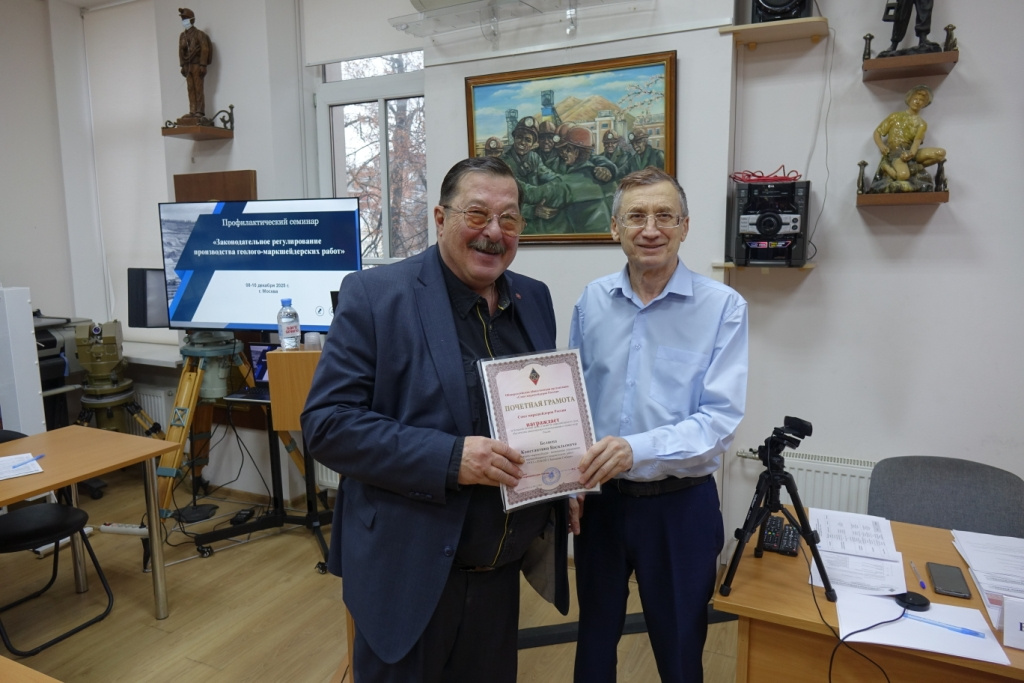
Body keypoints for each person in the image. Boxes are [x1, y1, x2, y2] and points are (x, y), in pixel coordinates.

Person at [301, 156, 569, 682]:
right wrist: (451, 458)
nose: (494, 232)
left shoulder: (533, 297)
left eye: (509, 218)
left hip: (499, 573)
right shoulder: (377, 295)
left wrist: (565, 475)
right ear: (441, 218)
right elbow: (328, 425)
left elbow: (538, 412)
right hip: (408, 573)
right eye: (477, 214)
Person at [569, 167, 748, 683]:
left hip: (680, 508)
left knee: (680, 652)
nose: (651, 229)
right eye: (636, 216)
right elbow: (574, 402)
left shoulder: (722, 307)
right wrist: (565, 480)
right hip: (601, 505)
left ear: (685, 227)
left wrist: (636, 448)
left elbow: (719, 420)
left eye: (665, 216)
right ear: (614, 228)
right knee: (593, 643)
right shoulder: (591, 301)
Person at [871, 85, 945, 192]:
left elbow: (916, 142)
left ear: (924, 104)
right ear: (909, 99)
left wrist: (910, 154)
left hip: (909, 153)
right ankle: (886, 166)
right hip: (895, 152)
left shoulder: (922, 124)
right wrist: (881, 146)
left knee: (940, 153)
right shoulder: (895, 116)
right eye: (915, 99)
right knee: (903, 175)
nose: (917, 102)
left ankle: (912, 167)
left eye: (921, 100)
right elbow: (877, 133)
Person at [178, 8, 212, 119]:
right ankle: (192, 111)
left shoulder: (199, 34)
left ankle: (199, 112)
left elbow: (205, 49)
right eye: (183, 19)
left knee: (198, 88)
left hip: (197, 64)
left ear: (192, 19)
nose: (184, 21)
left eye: (186, 18)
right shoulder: (182, 36)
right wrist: (182, 65)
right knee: (190, 88)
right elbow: (180, 51)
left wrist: (203, 65)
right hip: (188, 65)